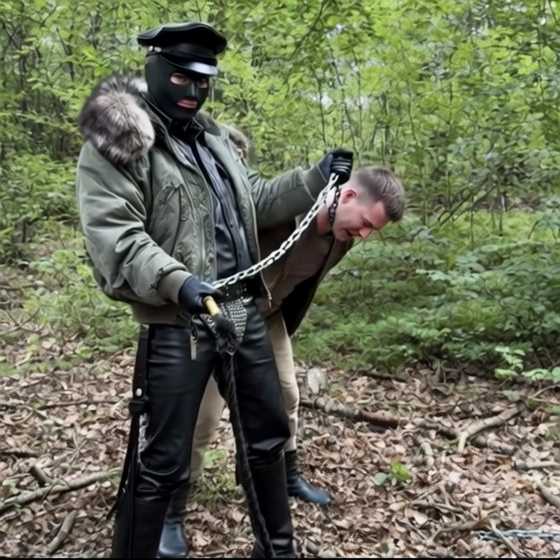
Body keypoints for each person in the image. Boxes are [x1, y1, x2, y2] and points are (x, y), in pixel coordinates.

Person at [76, 21, 353, 558]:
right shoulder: (118, 144)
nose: (193, 91)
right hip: (178, 320)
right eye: (181, 76)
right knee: (162, 459)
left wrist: (315, 177)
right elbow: (117, 236)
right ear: (155, 69)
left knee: (267, 440)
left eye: (203, 81)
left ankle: (277, 550)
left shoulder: (215, 140)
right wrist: (178, 283)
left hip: (241, 312)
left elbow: (257, 199)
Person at [158, 154, 406, 557]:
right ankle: (172, 509)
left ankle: (285, 476)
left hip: (267, 316)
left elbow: (298, 282)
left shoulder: (340, 238)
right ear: (348, 196)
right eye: (364, 223)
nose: (363, 235)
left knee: (287, 394)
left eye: (371, 231)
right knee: (204, 414)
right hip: (224, 310)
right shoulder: (286, 210)